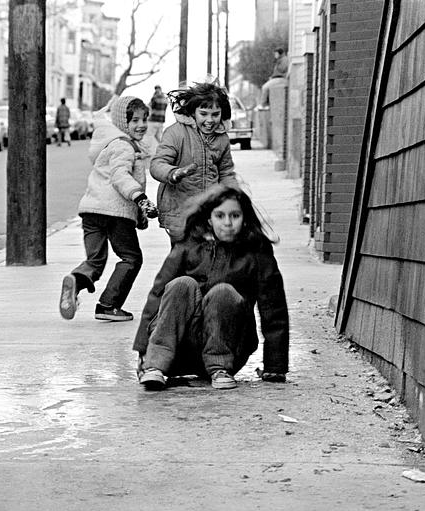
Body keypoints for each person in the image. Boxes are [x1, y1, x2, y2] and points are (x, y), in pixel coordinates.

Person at [133, 185, 289, 391]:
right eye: (220, 216)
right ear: (209, 219)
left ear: (244, 219)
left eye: (235, 215)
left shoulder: (256, 254)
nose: (227, 223)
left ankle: (219, 368)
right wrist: (143, 350)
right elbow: (157, 294)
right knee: (181, 284)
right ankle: (155, 366)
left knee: (223, 291)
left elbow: (274, 309)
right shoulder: (187, 247)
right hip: (179, 351)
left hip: (229, 349)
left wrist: (275, 366)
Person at [59, 96, 159, 322]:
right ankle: (108, 305)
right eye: (134, 120)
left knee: (95, 260)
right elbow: (120, 177)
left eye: (144, 119)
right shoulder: (124, 146)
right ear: (122, 123)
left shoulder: (109, 144)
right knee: (131, 258)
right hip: (115, 213)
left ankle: (76, 279)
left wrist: (140, 217)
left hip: (91, 211)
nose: (141, 125)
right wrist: (141, 199)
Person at [150, 82, 239, 244]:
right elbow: (157, 164)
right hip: (180, 211)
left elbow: (226, 172)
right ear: (193, 112)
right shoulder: (176, 133)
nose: (210, 120)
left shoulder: (222, 138)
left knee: (209, 256)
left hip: (210, 211)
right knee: (183, 259)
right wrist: (173, 173)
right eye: (203, 114)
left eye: (215, 114)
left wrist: (235, 195)